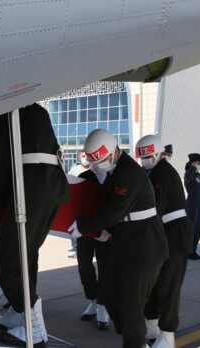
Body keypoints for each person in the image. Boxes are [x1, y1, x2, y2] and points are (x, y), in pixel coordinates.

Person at [0, 103, 69, 347]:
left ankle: (35, 329)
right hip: (50, 189)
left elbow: (3, 159)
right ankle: (20, 314)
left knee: (5, 260)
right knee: (25, 257)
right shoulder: (37, 109)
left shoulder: (2, 106)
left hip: (31, 191)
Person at [69, 129, 168, 348]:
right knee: (109, 293)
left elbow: (113, 213)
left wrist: (83, 226)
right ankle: (132, 336)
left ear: (114, 151)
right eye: (94, 162)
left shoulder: (128, 173)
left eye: (102, 161)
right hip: (125, 243)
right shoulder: (115, 169)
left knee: (131, 304)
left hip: (144, 246)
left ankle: (134, 342)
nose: (98, 167)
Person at [135, 135, 194, 348]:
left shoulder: (163, 173)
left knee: (169, 286)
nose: (145, 160)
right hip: (161, 233)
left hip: (174, 234)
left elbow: (155, 209)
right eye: (142, 157)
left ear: (159, 153)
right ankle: (151, 326)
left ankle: (168, 335)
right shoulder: (150, 173)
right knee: (154, 282)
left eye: (148, 156)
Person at [74, 168, 111, 331]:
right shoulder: (84, 176)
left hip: (106, 230)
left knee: (105, 268)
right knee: (84, 265)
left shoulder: (115, 175)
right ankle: (93, 300)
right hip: (86, 229)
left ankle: (103, 306)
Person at [67, 151, 91, 258]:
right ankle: (76, 248)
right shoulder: (74, 170)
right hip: (77, 204)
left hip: (89, 205)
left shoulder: (93, 171)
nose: (85, 158)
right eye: (83, 156)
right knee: (74, 227)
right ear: (79, 158)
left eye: (86, 156)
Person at [185, 153, 200, 260]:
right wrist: (192, 167)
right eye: (198, 163)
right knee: (191, 228)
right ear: (193, 163)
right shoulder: (189, 174)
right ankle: (188, 251)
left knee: (198, 228)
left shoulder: (198, 175)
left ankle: (193, 250)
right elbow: (189, 178)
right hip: (192, 203)